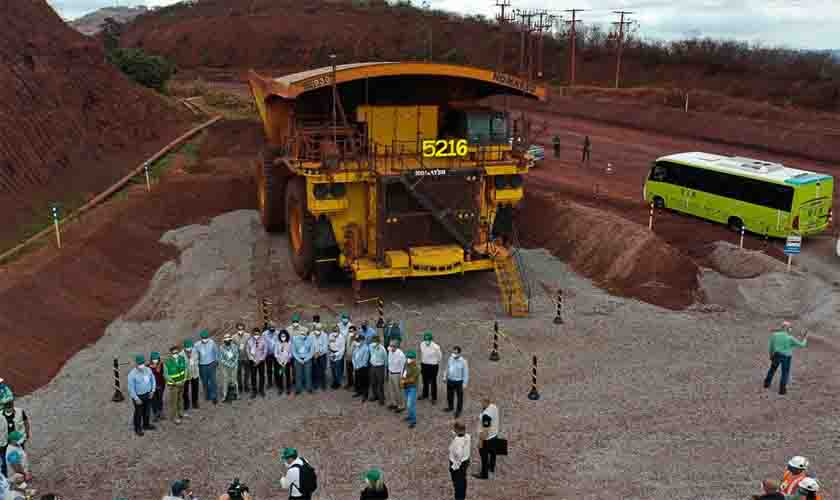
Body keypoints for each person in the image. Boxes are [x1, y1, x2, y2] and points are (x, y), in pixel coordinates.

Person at [765, 321, 808, 395]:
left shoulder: (775, 335)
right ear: (787, 328)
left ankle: (766, 384)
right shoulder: (790, 338)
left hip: (776, 355)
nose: (790, 329)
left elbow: (771, 347)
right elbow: (802, 345)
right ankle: (782, 390)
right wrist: (805, 338)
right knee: (785, 373)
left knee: (772, 369)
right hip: (786, 357)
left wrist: (771, 355)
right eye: (790, 327)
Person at [128, 354, 156, 436]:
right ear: (136, 364)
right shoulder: (132, 374)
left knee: (147, 411)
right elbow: (131, 388)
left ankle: (146, 425)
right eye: (139, 364)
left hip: (148, 394)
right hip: (138, 397)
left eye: (142, 363)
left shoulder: (148, 370)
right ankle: (137, 428)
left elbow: (153, 380)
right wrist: (136, 399)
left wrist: (152, 391)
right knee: (138, 412)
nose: (141, 365)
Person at [0, 400, 30, 478]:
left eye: (10, 405)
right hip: (4, 443)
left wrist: (27, 434)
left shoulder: (20, 411)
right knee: (5, 462)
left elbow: (26, 422)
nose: (9, 408)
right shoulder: (0, 415)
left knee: (20, 458)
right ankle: (6, 478)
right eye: (7, 406)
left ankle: (22, 474)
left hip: (17, 440)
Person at [475, 397, 500, 479]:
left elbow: (485, 430)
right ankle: (492, 467)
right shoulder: (494, 406)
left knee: (484, 457)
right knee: (493, 453)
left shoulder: (486, 415)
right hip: (495, 435)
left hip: (487, 439)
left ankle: (484, 474)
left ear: (485, 402)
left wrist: (480, 441)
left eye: (481, 402)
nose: (480, 403)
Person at [163, 345, 187, 424]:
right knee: (174, 402)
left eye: (176, 352)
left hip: (182, 383)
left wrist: (184, 379)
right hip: (174, 386)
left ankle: (180, 413)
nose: (175, 354)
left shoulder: (182, 359)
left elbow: (185, 369)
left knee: (180, 399)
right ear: (171, 354)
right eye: (173, 353)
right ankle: (174, 417)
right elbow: (166, 375)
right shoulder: (167, 362)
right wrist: (175, 382)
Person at [443, 346, 469, 418]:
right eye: (453, 352)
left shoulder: (463, 362)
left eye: (456, 353)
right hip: (450, 380)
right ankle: (450, 407)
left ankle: (458, 411)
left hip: (458, 382)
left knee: (459, 397)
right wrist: (445, 376)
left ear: (459, 353)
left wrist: (464, 384)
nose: (454, 354)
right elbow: (447, 368)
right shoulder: (450, 359)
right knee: (449, 395)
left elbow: (466, 374)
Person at [195, 330, 220, 404]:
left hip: (211, 364)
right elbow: (195, 355)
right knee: (204, 381)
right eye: (203, 337)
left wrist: (216, 360)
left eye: (206, 337)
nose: (204, 339)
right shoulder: (197, 345)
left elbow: (216, 352)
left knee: (213, 381)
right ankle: (207, 395)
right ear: (201, 337)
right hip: (202, 366)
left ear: (208, 337)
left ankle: (214, 396)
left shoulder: (212, 343)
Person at [448, 421, 471, 500]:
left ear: (456, 429)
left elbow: (458, 454)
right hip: (465, 462)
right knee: (463, 481)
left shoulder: (458, 442)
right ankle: (462, 497)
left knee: (457, 485)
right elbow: (461, 435)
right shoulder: (468, 436)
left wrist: (454, 467)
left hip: (458, 466)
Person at [292, 323, 315, 395]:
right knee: (298, 375)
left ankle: (309, 388)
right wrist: (299, 359)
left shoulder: (310, 339)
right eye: (301, 334)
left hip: (307, 359)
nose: (303, 335)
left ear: (307, 334)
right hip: (298, 359)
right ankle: (298, 388)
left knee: (308, 374)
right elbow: (293, 351)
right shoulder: (295, 339)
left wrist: (306, 359)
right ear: (299, 334)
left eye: (304, 334)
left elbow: (312, 351)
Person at [419, 332, 442, 404]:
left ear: (431, 340)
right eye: (425, 339)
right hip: (424, 364)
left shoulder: (436, 347)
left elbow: (439, 357)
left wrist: (435, 362)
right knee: (424, 380)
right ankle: (425, 394)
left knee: (433, 382)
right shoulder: (422, 344)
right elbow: (422, 353)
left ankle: (434, 398)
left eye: (428, 339)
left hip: (433, 366)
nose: (427, 341)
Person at [247, 327, 267, 398]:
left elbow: (265, 351)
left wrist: (260, 359)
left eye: (257, 334)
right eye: (255, 334)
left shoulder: (263, 340)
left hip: (261, 361)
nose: (256, 335)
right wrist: (252, 359)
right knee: (253, 376)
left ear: (260, 334)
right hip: (252, 362)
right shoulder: (249, 341)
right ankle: (254, 391)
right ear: (252, 334)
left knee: (262, 376)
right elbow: (248, 351)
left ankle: (261, 390)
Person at [401, 351, 420, 428]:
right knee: (408, 403)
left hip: (412, 388)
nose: (408, 359)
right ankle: (409, 416)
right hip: (406, 387)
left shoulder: (416, 368)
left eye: (410, 358)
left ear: (414, 359)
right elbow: (404, 373)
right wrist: (402, 379)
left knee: (410, 404)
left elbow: (412, 379)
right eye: (408, 357)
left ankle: (413, 420)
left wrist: (404, 381)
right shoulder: (406, 364)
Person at [181, 340, 201, 414]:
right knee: (185, 391)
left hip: (194, 373)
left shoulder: (195, 352)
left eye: (190, 347)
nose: (189, 349)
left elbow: (198, 360)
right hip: (185, 376)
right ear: (184, 348)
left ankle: (195, 402)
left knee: (195, 388)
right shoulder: (181, 355)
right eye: (187, 348)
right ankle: (186, 403)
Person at [219, 334, 240, 403]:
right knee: (225, 380)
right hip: (225, 367)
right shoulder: (221, 347)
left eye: (229, 340)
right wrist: (228, 364)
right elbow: (221, 359)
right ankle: (225, 395)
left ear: (231, 340)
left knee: (234, 380)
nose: (227, 342)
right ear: (224, 341)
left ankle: (236, 394)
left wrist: (233, 363)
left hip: (234, 366)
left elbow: (237, 355)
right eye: (226, 340)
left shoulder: (234, 346)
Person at [386, 340, 406, 412]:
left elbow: (403, 367)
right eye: (390, 346)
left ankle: (401, 405)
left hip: (397, 374)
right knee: (391, 390)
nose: (391, 348)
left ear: (396, 347)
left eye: (392, 346)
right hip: (390, 372)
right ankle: (394, 403)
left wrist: (401, 377)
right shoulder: (390, 351)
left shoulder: (401, 355)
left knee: (398, 391)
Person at [311, 316, 329, 391]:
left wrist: (319, 353)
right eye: (316, 329)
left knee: (322, 370)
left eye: (319, 329)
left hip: (322, 355)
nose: (317, 331)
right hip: (313, 355)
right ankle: (315, 384)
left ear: (321, 329)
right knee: (314, 370)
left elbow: (325, 346)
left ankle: (323, 384)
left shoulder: (324, 335)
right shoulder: (311, 335)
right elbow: (310, 345)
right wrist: (314, 353)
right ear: (314, 329)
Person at [368, 336, 387, 405]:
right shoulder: (370, 346)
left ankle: (381, 398)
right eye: (373, 341)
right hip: (372, 366)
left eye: (376, 342)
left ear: (379, 342)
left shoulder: (382, 349)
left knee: (380, 383)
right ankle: (375, 395)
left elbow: (385, 359)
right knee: (373, 382)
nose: (374, 343)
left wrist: (385, 370)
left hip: (380, 367)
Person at [233, 324, 251, 395]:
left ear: (244, 329)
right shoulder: (233, 337)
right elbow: (232, 348)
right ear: (236, 329)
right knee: (238, 374)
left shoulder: (248, 336)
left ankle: (246, 386)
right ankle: (240, 386)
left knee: (247, 373)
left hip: (246, 358)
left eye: (242, 329)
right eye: (239, 329)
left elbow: (250, 346)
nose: (240, 330)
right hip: (238, 359)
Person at [352, 333, 371, 400]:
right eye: (358, 340)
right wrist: (354, 365)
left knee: (364, 382)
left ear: (363, 340)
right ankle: (358, 392)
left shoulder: (366, 348)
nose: (358, 341)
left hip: (363, 368)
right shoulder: (356, 347)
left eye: (360, 340)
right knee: (357, 380)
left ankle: (365, 395)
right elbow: (353, 356)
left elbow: (365, 360)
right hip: (356, 367)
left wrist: (358, 366)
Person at [275, 330, 293, 395]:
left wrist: (286, 360)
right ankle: (280, 388)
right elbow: (275, 353)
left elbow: (290, 353)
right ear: (279, 336)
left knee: (287, 375)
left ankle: (288, 388)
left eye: (284, 336)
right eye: (282, 336)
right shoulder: (277, 343)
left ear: (287, 336)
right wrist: (279, 361)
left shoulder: (289, 343)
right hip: (279, 362)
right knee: (280, 375)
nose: (283, 337)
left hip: (287, 362)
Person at [149, 352, 166, 421]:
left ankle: (161, 412)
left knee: (160, 399)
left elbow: (164, 374)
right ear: (151, 359)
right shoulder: (148, 367)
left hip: (161, 385)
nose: (155, 360)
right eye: (153, 359)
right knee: (153, 400)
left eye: (156, 359)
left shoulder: (161, 365)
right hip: (152, 387)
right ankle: (155, 414)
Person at [263, 324, 279, 390]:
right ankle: (269, 382)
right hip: (268, 354)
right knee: (269, 369)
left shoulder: (278, 333)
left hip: (276, 354)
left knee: (277, 368)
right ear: (268, 328)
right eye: (271, 328)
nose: (272, 329)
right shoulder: (264, 334)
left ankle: (277, 381)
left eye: (273, 327)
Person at [344, 324, 358, 390]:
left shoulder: (358, 338)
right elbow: (346, 346)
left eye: (352, 331)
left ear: (355, 331)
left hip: (355, 358)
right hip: (348, 357)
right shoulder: (347, 337)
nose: (350, 333)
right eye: (349, 331)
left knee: (355, 373)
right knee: (349, 372)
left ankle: (356, 385)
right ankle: (350, 383)